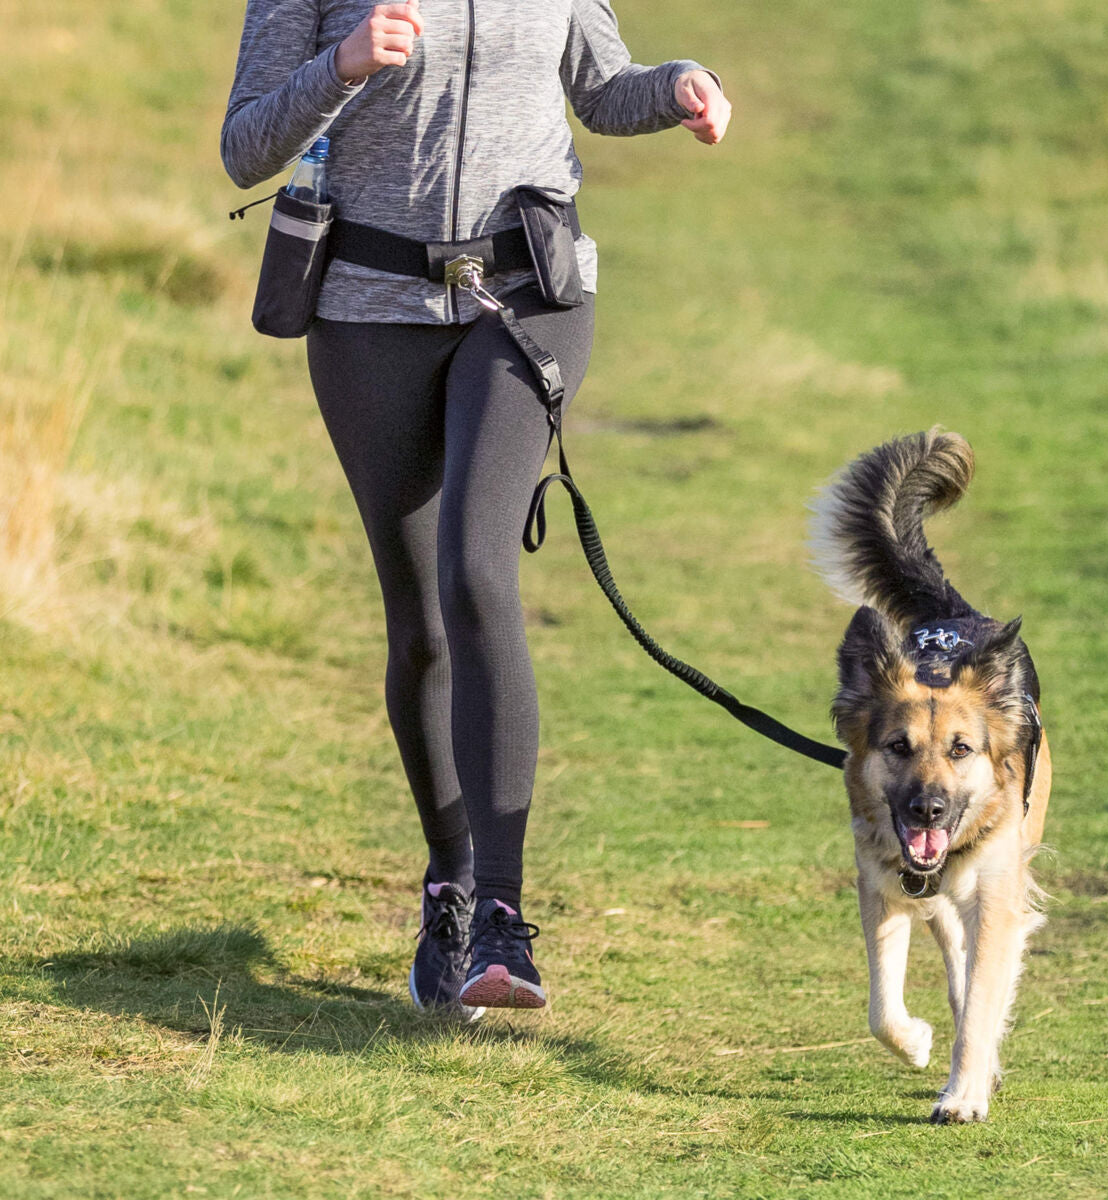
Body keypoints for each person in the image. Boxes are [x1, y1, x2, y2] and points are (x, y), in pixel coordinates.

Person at [221, 1, 730, 1015]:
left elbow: (602, 90)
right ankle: (449, 880)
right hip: (367, 309)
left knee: (477, 570)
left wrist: (679, 85)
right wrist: (342, 65)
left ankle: (502, 913)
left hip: (526, 292)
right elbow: (246, 147)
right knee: (419, 623)